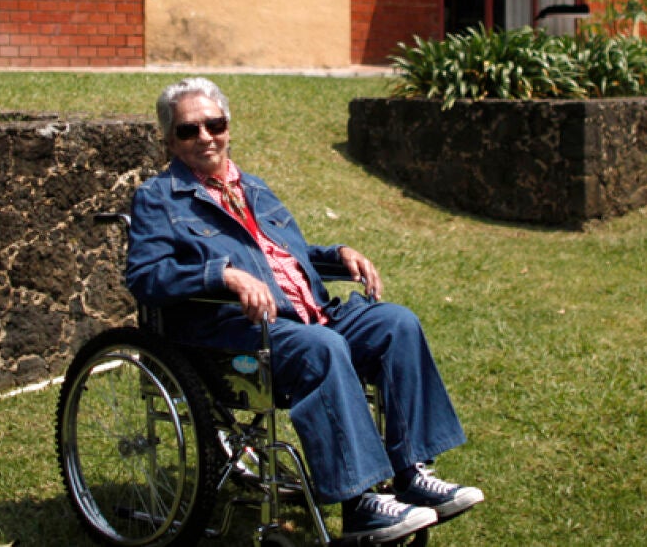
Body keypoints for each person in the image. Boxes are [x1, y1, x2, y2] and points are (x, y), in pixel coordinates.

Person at [125, 77, 483, 544]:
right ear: (170, 140)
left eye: (214, 124)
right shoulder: (158, 198)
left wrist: (338, 255)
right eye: (190, 130)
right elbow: (145, 276)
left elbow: (281, 257)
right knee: (324, 347)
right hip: (235, 331)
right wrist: (222, 275)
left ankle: (411, 473)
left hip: (311, 313)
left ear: (228, 127)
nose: (205, 137)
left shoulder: (253, 188)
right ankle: (360, 505)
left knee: (397, 323)